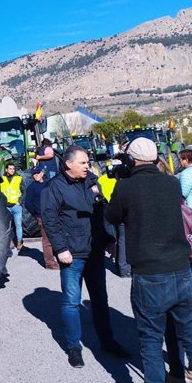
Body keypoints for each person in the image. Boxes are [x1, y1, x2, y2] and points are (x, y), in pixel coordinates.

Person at [106, 138, 192, 383]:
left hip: (149, 275)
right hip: (181, 272)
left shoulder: (126, 188)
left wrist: (119, 183)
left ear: (131, 159)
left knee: (150, 341)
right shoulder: (172, 183)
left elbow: (112, 215)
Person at [41, 145, 128, 368]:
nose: (88, 165)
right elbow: (50, 220)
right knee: (71, 302)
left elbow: (103, 210)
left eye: (88, 162)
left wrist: (109, 239)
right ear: (69, 164)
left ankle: (107, 341)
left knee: (100, 299)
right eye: (83, 162)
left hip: (95, 251)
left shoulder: (92, 181)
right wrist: (60, 249)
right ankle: (74, 347)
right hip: (72, 254)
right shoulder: (54, 188)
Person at [24, 166, 58, 269]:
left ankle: (58, 256)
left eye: (38, 173)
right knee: (47, 239)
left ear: (42, 173)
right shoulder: (31, 187)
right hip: (41, 216)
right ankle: (49, 263)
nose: (36, 175)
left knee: (56, 237)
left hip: (53, 214)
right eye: (34, 174)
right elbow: (28, 203)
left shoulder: (49, 184)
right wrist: (36, 214)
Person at [0, 163, 25, 251]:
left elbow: (23, 191)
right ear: (6, 169)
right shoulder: (1, 179)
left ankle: (19, 243)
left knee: (18, 225)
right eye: (10, 169)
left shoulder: (18, 178)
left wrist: (20, 201)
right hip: (6, 206)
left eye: (13, 169)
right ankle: (10, 242)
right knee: (7, 226)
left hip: (16, 206)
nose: (12, 170)